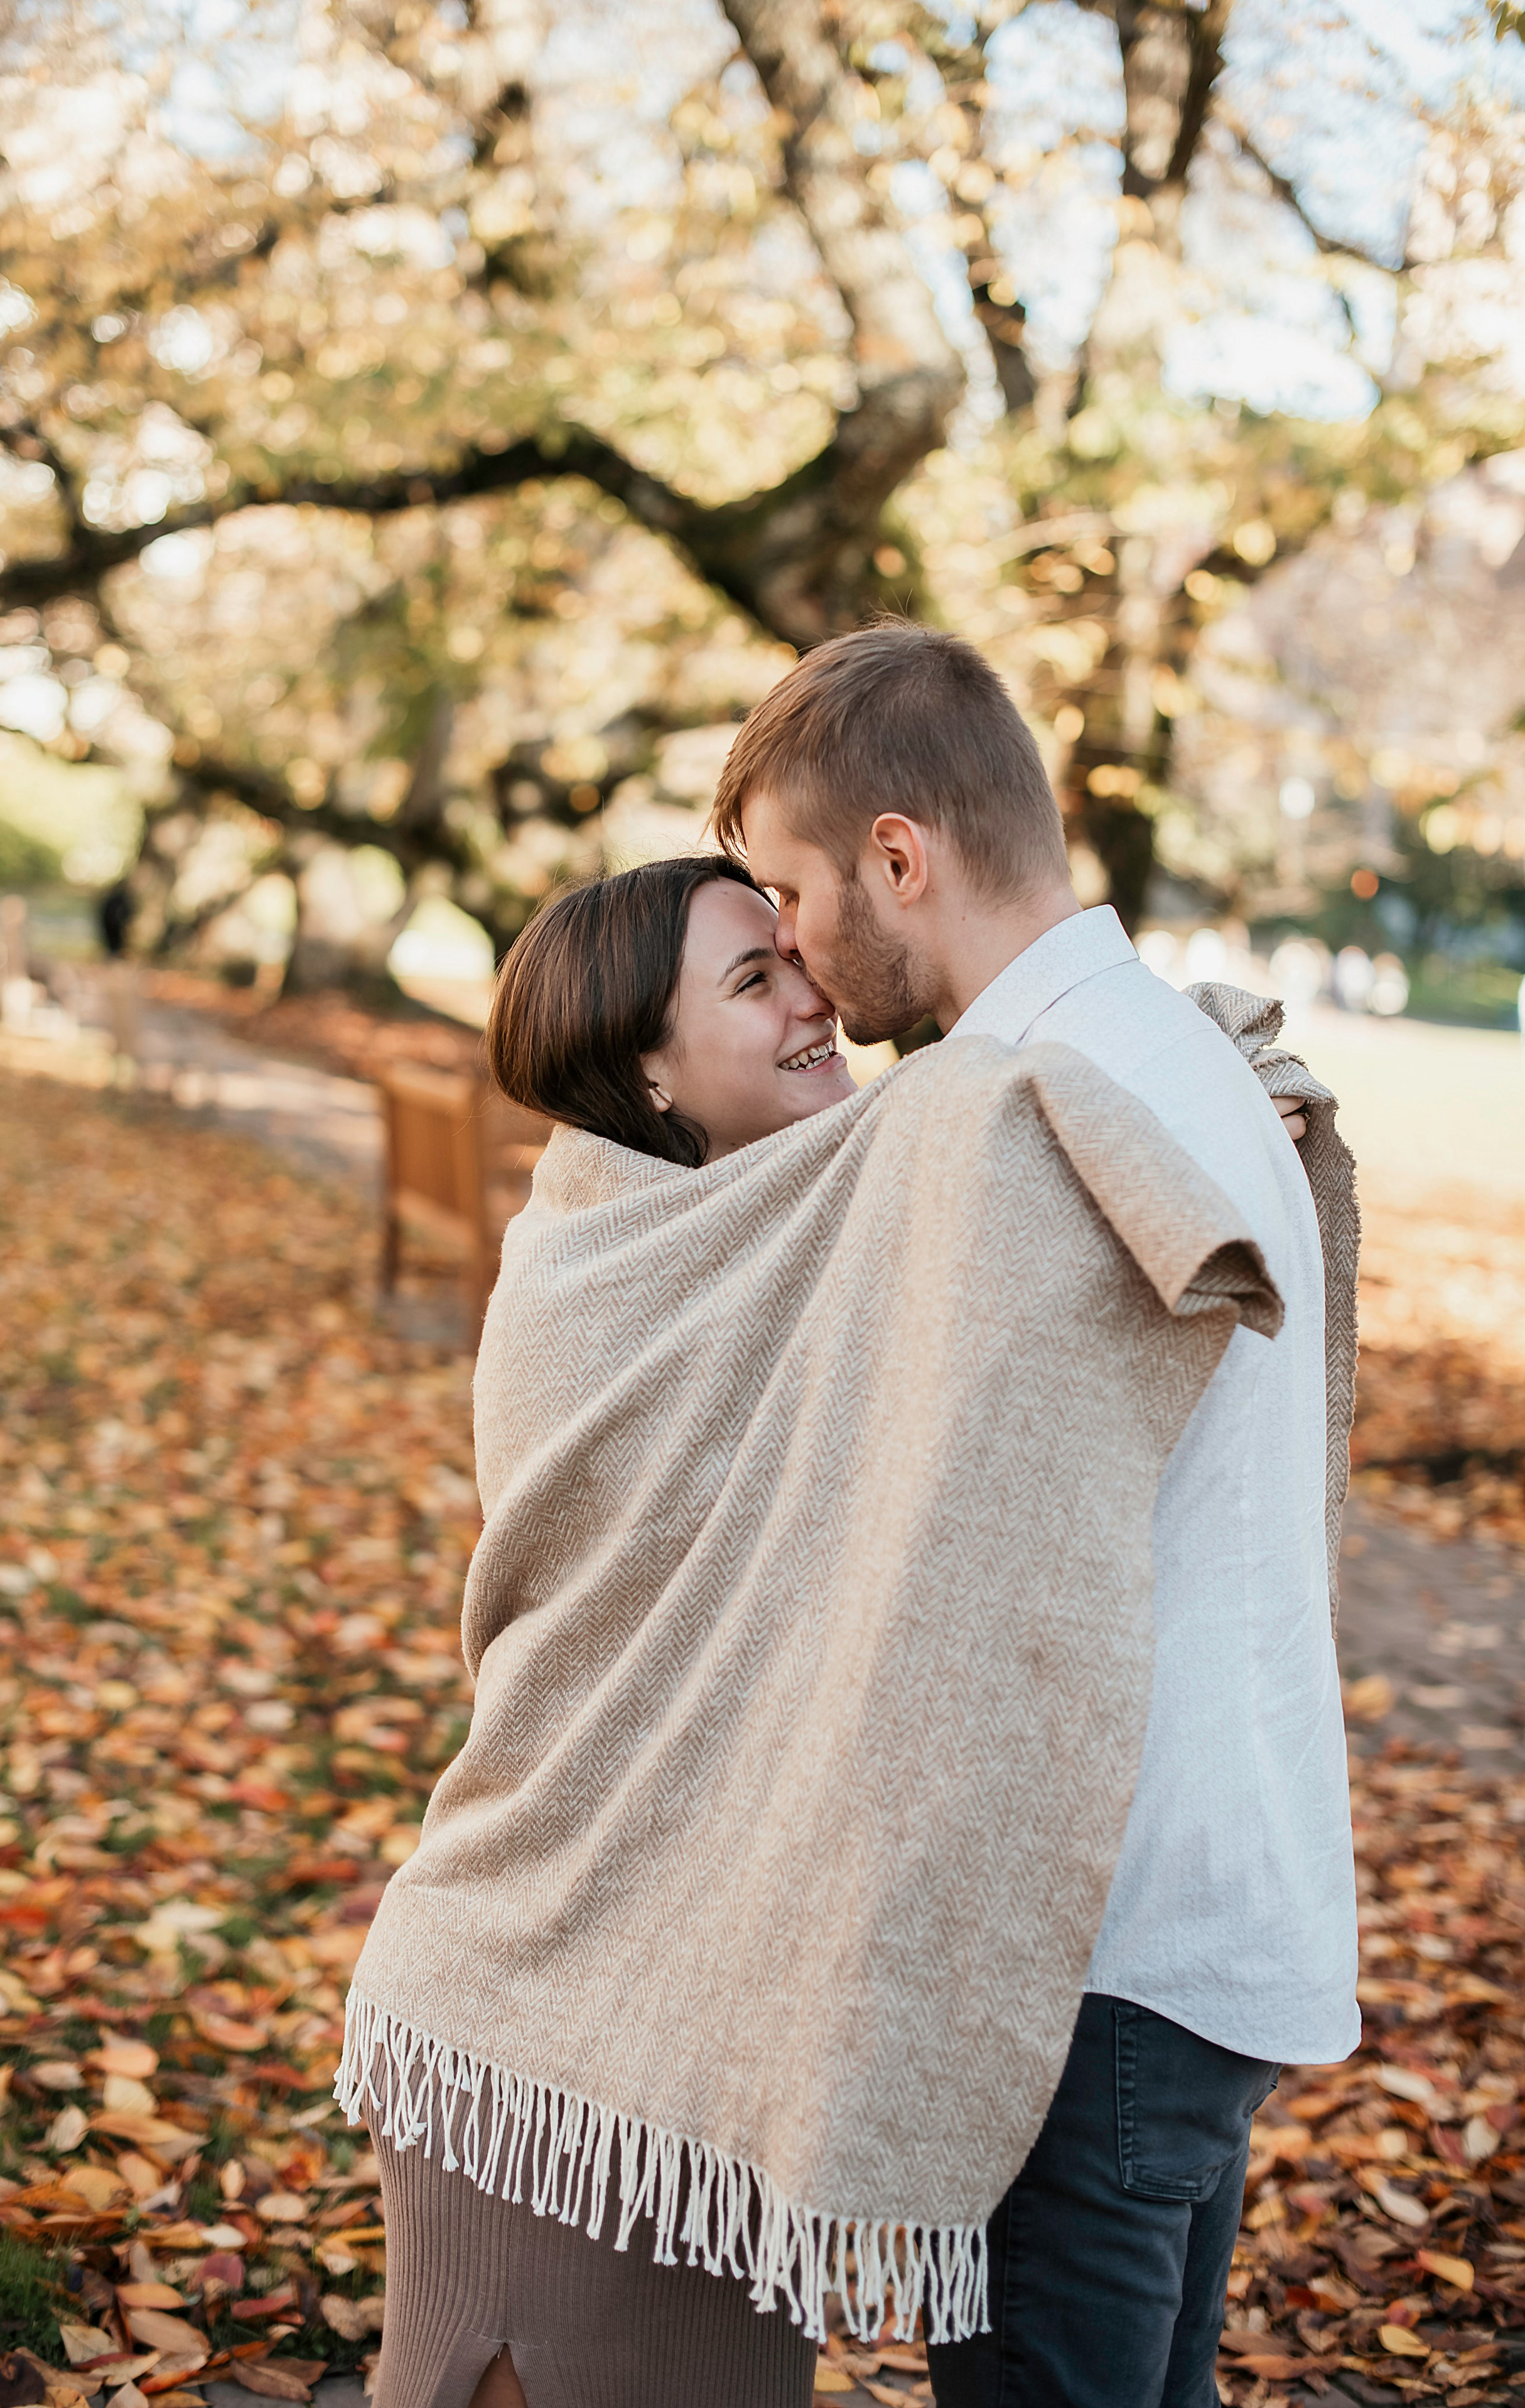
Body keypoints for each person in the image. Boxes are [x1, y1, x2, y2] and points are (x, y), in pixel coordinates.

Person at [337, 845, 1325, 2408]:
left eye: (790, 951)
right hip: (539, 2017)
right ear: (646, 1070)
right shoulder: (598, 1267)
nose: (818, 995)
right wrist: (1131, 1097)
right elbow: (976, 1112)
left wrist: (1180, 1103)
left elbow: (976, 1204)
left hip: (700, 2049)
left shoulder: (807, 1211)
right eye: (753, 978)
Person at [709, 618, 1359, 2408]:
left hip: (1100, 1946)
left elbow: (949, 1558)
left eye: (792, 893)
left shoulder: (1024, 1114)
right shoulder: (1176, 1062)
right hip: (1202, 1908)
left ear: (899, 855)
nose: (796, 957)